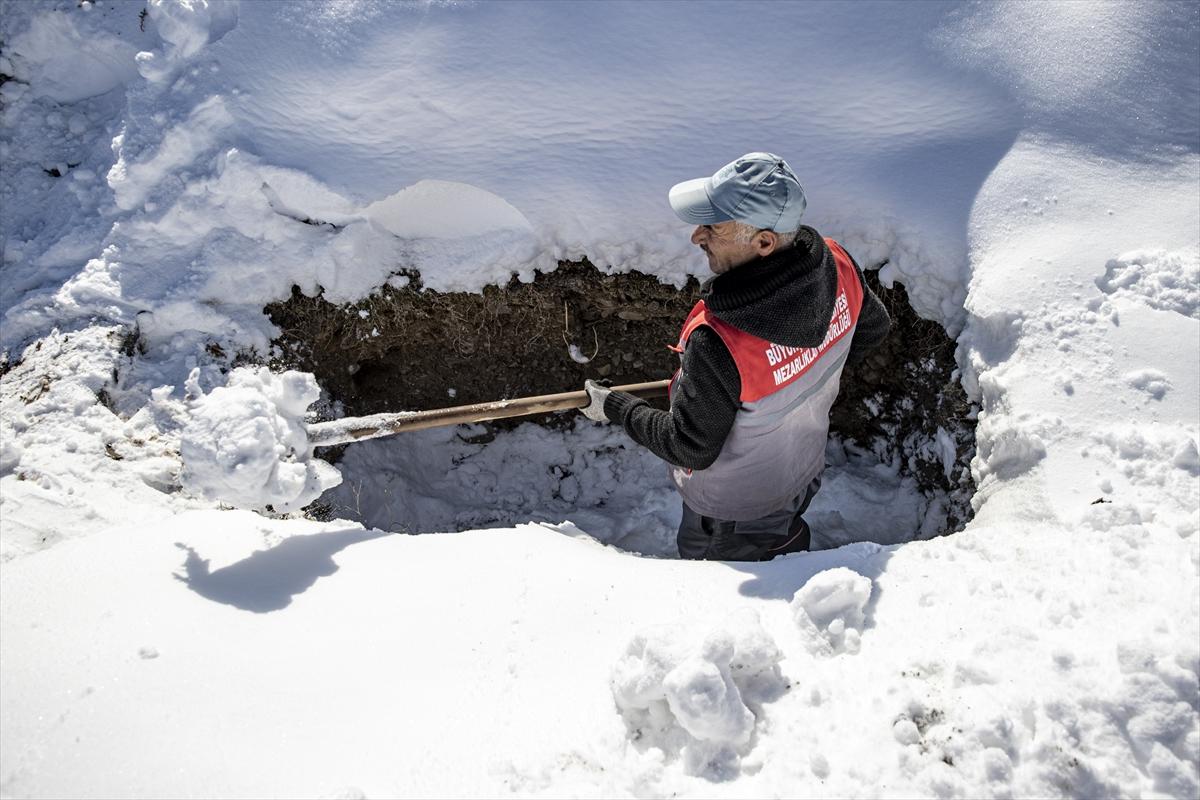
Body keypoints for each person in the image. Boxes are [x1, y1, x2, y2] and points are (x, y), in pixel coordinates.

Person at [581, 152, 890, 561]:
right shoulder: (837, 266)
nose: (696, 236)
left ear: (763, 242)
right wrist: (805, 372)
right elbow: (872, 328)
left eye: (713, 225)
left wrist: (618, 408)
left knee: (722, 589)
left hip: (733, 510)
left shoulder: (721, 340)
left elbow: (690, 447)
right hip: (803, 469)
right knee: (782, 542)